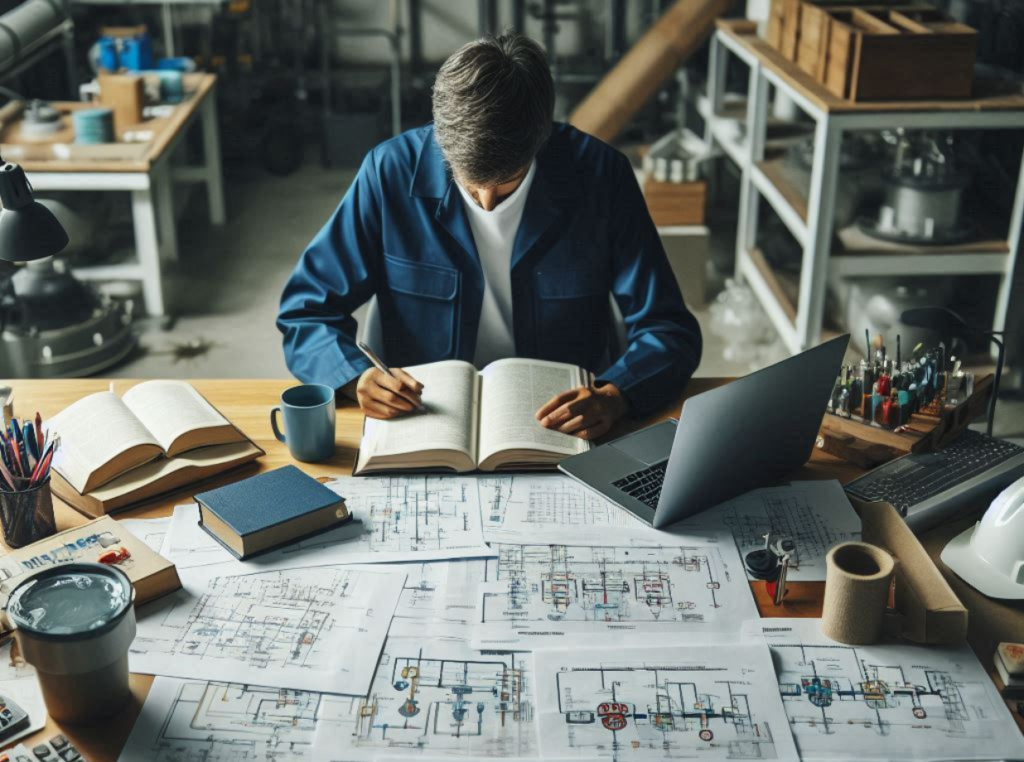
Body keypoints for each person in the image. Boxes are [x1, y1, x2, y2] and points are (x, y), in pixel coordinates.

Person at [278, 33, 701, 440]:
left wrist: (616, 395)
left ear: (540, 141)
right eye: (470, 183)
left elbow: (668, 329)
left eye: (506, 184)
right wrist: (355, 376)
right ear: (442, 141)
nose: (485, 201)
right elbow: (306, 311)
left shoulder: (601, 177)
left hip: (559, 429)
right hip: (426, 424)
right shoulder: (390, 173)